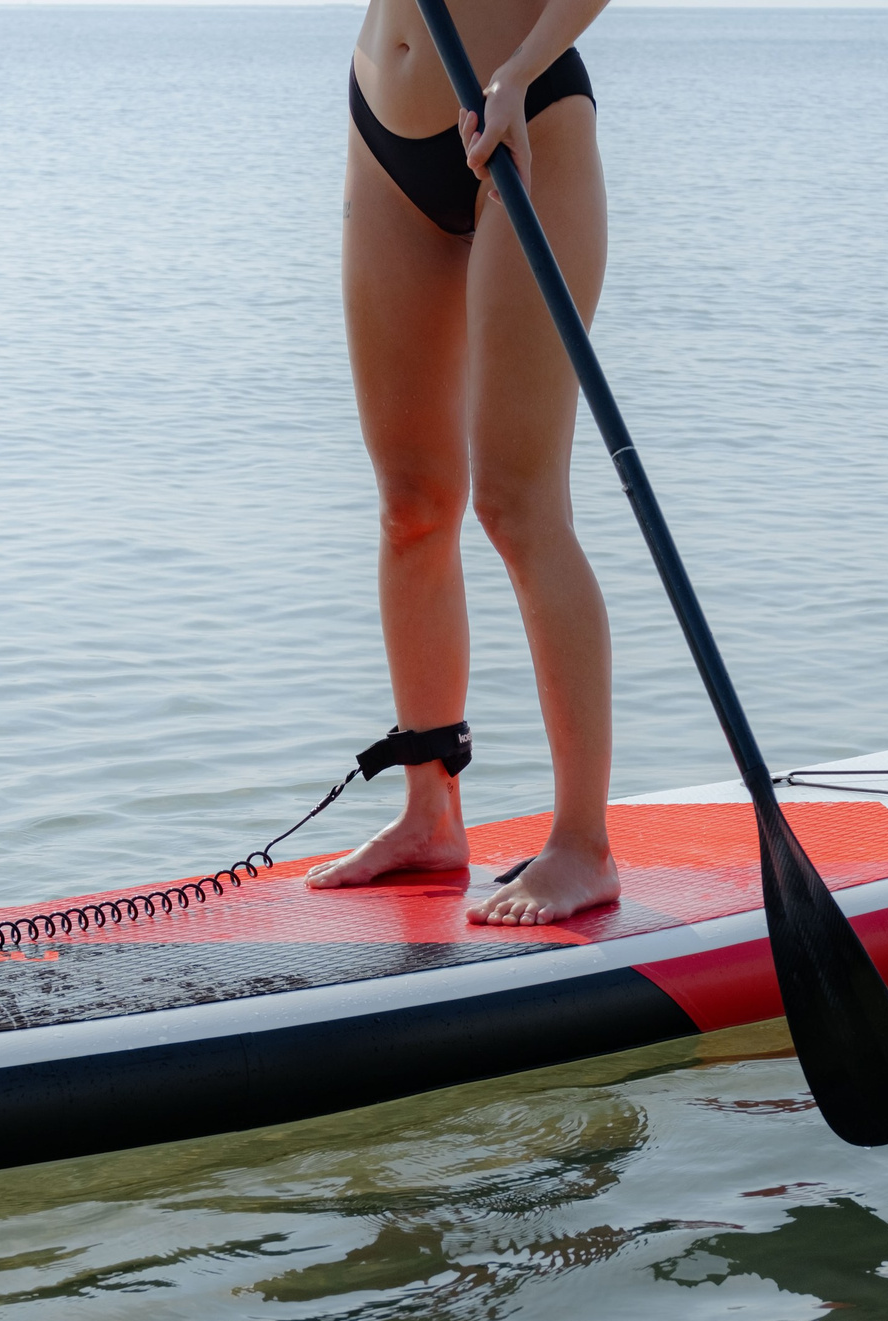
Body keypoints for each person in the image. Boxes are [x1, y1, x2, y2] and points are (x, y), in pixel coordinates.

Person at [307, 0, 618, 927]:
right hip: (383, 115)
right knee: (411, 503)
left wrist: (524, 67)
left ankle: (582, 843)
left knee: (517, 507)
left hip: (524, 108)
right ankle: (429, 812)